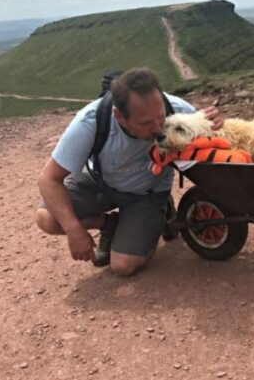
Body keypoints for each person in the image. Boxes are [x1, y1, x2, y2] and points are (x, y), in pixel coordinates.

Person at [35, 68, 223, 276]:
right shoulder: (91, 121)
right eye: (145, 123)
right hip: (102, 184)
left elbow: (216, 142)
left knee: (123, 266)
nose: (157, 128)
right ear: (119, 116)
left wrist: (216, 126)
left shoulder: (177, 109)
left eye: (161, 118)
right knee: (47, 218)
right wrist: (73, 230)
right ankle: (110, 224)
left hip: (147, 192)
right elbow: (48, 180)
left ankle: (159, 212)